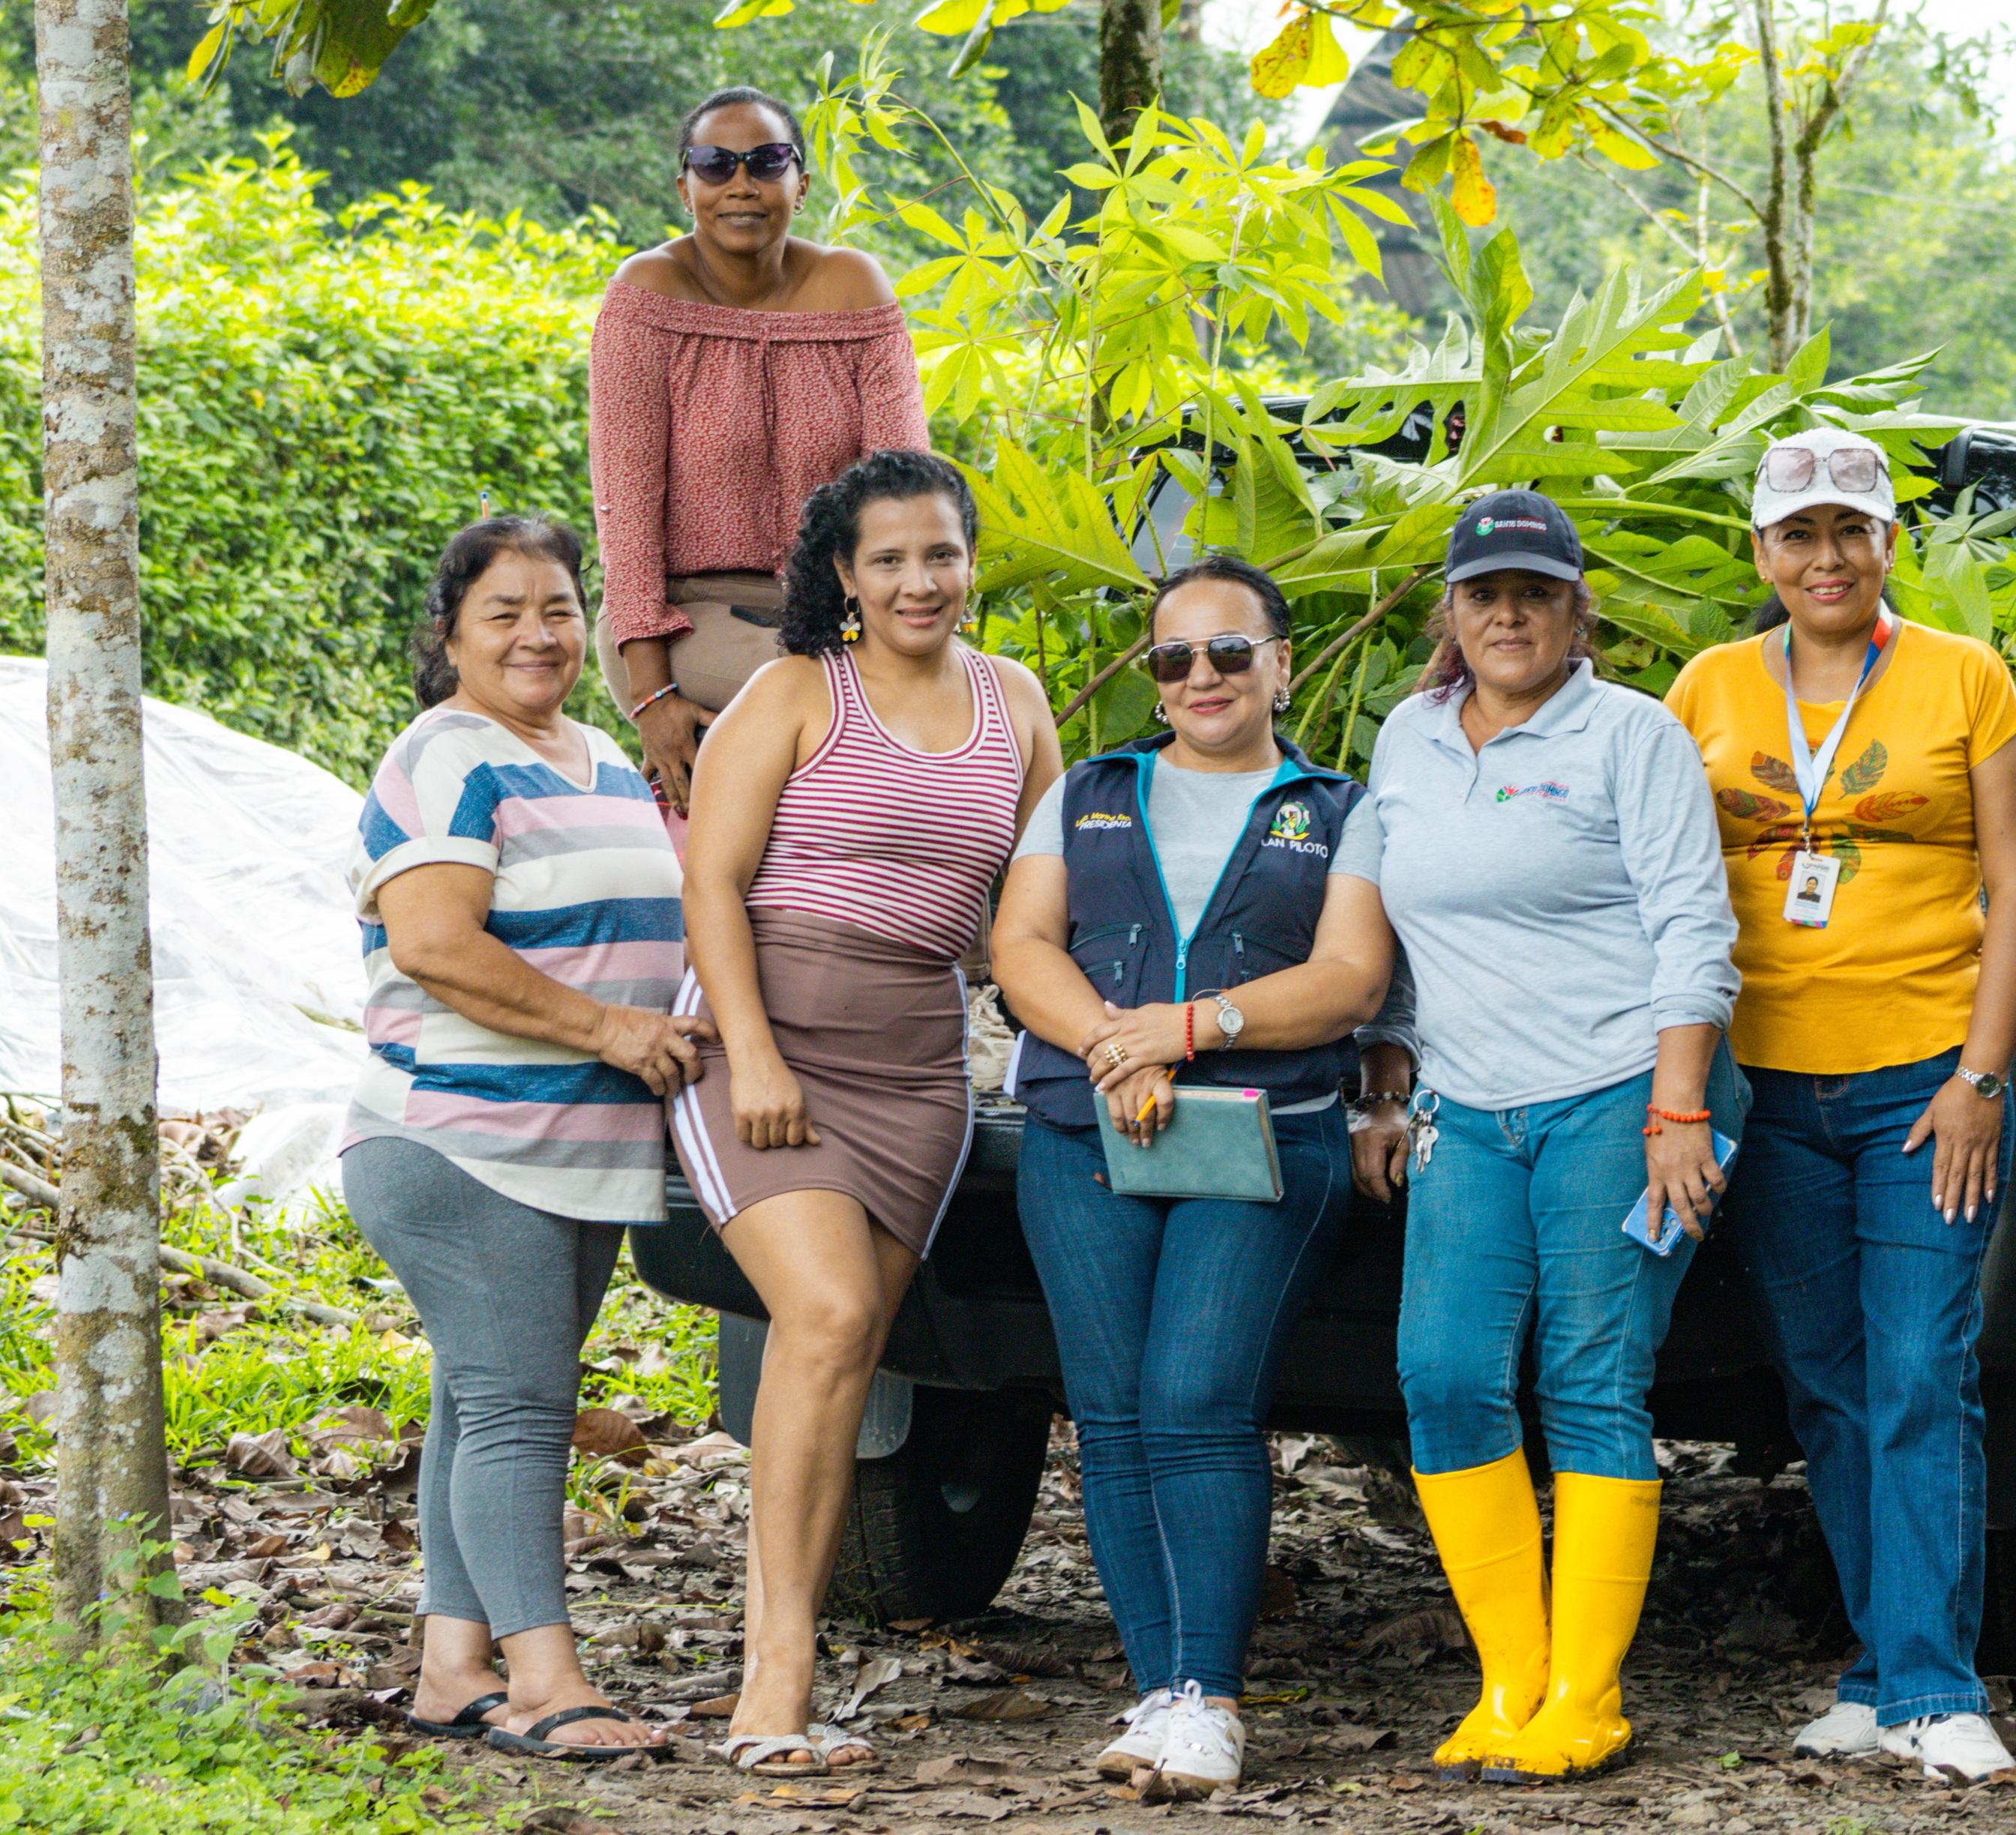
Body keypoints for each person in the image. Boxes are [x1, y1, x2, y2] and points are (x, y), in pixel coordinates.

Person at [1662, 430, 2016, 1785]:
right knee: (1827, 1384)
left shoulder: (1963, 673)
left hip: (1922, 1085)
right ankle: (1883, 1672)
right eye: (1798, 534)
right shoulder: (1708, 685)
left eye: (1850, 530)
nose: (1825, 557)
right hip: (1765, 1090)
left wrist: (1982, 1075)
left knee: (1921, 1372)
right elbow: (1667, 886)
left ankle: (1939, 1685)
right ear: (1761, 551)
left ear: (1889, 541)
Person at [670, 452, 1058, 1773]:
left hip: (918, 1069)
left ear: (969, 560)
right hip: (770, 1041)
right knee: (830, 1316)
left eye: (939, 552)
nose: (917, 580)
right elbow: (711, 884)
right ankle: (773, 1677)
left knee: (842, 1363)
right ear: (843, 573)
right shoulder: (793, 691)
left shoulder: (1016, 701)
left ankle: (785, 1656)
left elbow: (1036, 900)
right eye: (887, 557)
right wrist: (756, 1056)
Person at [1349, 490, 1742, 1784]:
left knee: (1589, 1374)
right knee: (1444, 1370)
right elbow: (1398, 931)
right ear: (1451, 611)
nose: (1508, 614)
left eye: (1535, 592)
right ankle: (1510, 1678)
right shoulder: (1409, 739)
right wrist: (1388, 1077)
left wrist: (1679, 1110)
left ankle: (1587, 1691)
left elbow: (1695, 927)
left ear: (1578, 609)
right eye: (1485, 593)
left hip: (1620, 1089)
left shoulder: (1632, 732)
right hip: (1467, 1104)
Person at [990, 555, 1396, 1798]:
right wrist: (1113, 1044)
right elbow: (1022, 944)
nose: (1202, 675)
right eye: (1176, 656)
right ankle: (1160, 1687)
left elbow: (1350, 978)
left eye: (1230, 651)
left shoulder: (1338, 807)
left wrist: (1191, 1027)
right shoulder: (1090, 791)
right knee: (1112, 1410)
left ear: (1281, 662)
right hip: (1086, 1132)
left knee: (1198, 1396)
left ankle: (1211, 1696)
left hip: (1262, 1136)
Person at [345, 515, 699, 1763]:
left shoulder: (601, 758)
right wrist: (612, 1027)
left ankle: (454, 1665)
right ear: (451, 635)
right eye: (503, 612)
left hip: (575, 1147)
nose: (537, 634)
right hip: (461, 1139)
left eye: (558, 608)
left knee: (483, 1392)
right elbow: (436, 942)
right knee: (517, 1403)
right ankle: (548, 1681)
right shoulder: (446, 753)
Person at [588, 84, 930, 818]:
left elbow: (906, 489)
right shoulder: (647, 295)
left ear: (800, 184)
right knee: (841, 702)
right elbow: (625, 508)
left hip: (837, 615)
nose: (740, 184)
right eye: (716, 164)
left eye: (766, 161)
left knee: (978, 702)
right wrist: (650, 695)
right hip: (686, 618)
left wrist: (909, 623)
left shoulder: (853, 288)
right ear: (684, 187)